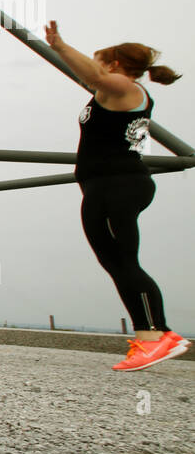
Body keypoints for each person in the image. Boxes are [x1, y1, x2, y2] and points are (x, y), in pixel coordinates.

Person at [45, 21, 188, 371]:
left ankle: (157, 335)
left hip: (118, 185)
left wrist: (60, 46)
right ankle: (152, 335)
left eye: (99, 62)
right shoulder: (110, 92)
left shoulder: (125, 87)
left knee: (124, 263)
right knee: (115, 263)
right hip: (105, 185)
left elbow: (94, 76)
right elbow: (93, 80)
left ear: (114, 66)